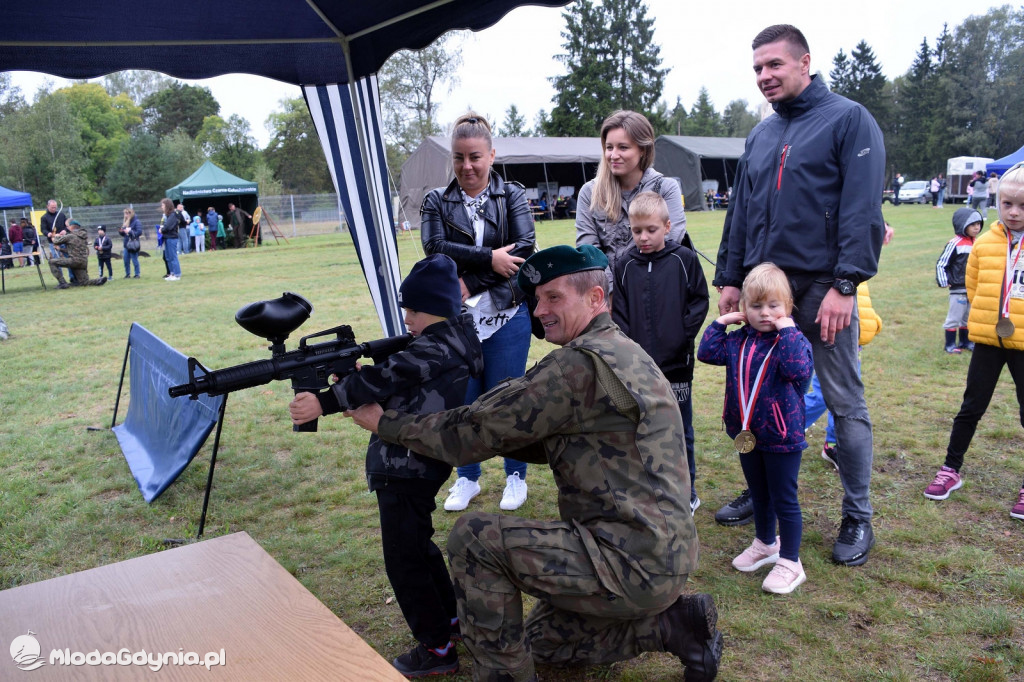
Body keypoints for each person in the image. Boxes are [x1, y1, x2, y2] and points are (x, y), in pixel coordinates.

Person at [342, 244, 722, 682]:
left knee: (475, 537)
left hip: (627, 560)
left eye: (554, 297)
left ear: (596, 299)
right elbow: (541, 438)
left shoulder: (576, 366)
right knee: (538, 642)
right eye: (537, 299)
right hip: (661, 553)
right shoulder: (622, 350)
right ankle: (673, 625)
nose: (540, 310)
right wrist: (490, 432)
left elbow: (473, 434)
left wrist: (385, 422)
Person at [715, 24, 886, 566]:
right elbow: (741, 212)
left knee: (844, 402)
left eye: (774, 65)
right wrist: (729, 279)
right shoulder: (761, 135)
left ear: (804, 62)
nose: (765, 76)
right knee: (757, 397)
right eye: (758, 69)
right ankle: (762, 497)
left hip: (822, 291)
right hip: (763, 296)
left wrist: (845, 285)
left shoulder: (848, 119)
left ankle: (858, 516)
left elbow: (863, 209)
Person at [290, 254, 484, 678]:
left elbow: (389, 376)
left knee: (404, 559)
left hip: (405, 465)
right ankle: (450, 621)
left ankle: (436, 650)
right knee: (418, 546)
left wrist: (322, 402)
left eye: (411, 311)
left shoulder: (435, 345)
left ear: (432, 308)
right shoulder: (459, 334)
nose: (407, 319)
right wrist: (356, 380)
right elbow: (404, 376)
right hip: (417, 461)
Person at [420, 111, 536, 513]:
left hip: (507, 315)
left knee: (506, 399)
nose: (466, 166)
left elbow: (523, 249)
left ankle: (515, 475)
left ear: (491, 155)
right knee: (462, 403)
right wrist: (489, 257)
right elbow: (434, 248)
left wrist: (471, 280)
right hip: (458, 323)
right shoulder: (436, 200)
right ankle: (467, 479)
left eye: (474, 156)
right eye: (458, 157)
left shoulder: (513, 195)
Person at [698, 263, 813, 594]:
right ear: (744, 309)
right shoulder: (737, 341)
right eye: (756, 306)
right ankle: (765, 543)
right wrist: (722, 321)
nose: (765, 314)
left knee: (784, 498)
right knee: (759, 493)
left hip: (782, 437)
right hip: (745, 433)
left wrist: (788, 329)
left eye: (774, 305)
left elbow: (797, 368)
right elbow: (707, 352)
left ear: (788, 308)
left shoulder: (793, 342)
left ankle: (791, 561)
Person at [923, 162, 1024, 521]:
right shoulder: (984, 243)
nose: (1013, 212)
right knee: (970, 407)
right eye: (1007, 204)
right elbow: (974, 286)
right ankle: (951, 469)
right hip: (988, 339)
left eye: (1023, 206)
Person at [612, 191, 709, 513]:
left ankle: (687, 491)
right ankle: (649, 492)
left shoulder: (685, 260)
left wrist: (681, 337)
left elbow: (698, 301)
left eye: (651, 230)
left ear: (667, 226)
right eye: (637, 230)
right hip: (638, 369)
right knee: (641, 428)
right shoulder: (624, 265)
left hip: (677, 365)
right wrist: (632, 352)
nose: (643, 237)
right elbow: (620, 315)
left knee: (681, 430)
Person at [576, 109, 687, 291]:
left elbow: (671, 242)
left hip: (656, 291)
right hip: (606, 295)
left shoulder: (666, 188)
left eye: (623, 147)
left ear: (643, 149)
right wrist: (609, 291)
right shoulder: (590, 193)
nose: (613, 155)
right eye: (609, 147)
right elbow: (588, 251)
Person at [805, 283, 884, 468]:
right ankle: (787, 424)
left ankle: (834, 444)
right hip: (826, 336)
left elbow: (862, 301)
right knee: (825, 394)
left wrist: (872, 323)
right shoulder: (831, 267)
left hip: (851, 339)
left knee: (844, 395)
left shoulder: (853, 269)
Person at [937, 208, 982, 354]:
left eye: (979, 224)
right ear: (963, 225)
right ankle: (949, 344)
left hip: (972, 288)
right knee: (954, 317)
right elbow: (942, 263)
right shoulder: (955, 243)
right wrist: (944, 280)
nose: (977, 227)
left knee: (968, 317)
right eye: (973, 224)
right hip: (958, 288)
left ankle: (965, 342)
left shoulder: (978, 243)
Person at [47, 219, 107, 289]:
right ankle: (98, 280)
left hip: (74, 261)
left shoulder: (70, 236)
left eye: (67, 226)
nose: (67, 228)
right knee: (83, 282)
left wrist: (56, 236)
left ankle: (62, 283)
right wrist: (60, 249)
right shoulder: (83, 237)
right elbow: (73, 250)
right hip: (83, 262)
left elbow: (56, 241)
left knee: (52, 262)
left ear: (71, 227)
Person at [159, 198, 183, 281]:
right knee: (168, 257)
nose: (161, 207)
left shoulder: (173, 215)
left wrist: (162, 229)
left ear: (167, 205)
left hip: (172, 238)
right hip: (167, 238)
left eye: (162, 205)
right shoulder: (168, 215)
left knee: (173, 256)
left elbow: (168, 226)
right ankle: (172, 273)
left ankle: (177, 274)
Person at [120, 207, 142, 279]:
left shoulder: (136, 221)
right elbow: (124, 235)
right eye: (125, 213)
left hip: (133, 244)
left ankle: (137, 274)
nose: (126, 215)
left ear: (131, 213)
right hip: (126, 244)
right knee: (126, 260)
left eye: (128, 213)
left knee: (134, 259)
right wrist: (121, 231)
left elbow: (139, 232)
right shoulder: (125, 222)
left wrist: (130, 232)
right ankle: (127, 274)